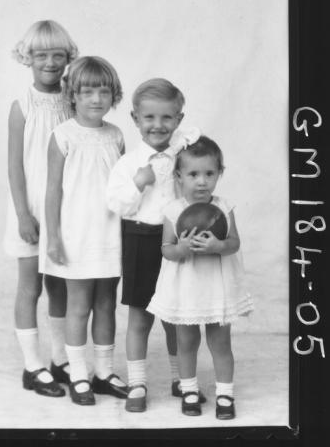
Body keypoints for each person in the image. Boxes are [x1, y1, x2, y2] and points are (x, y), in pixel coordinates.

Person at [106, 78, 201, 413]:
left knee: (176, 315)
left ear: (177, 119)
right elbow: (118, 205)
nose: (157, 125)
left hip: (175, 239)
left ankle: (181, 379)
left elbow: (194, 138)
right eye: (149, 118)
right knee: (140, 315)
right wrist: (138, 184)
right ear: (134, 119)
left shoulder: (181, 153)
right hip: (141, 239)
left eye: (167, 118)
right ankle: (137, 383)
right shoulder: (128, 164)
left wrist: (179, 142)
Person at [147, 135, 254, 419]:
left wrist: (218, 246)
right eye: (193, 174)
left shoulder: (225, 208)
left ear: (220, 173)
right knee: (187, 342)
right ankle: (190, 391)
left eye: (209, 173)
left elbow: (234, 243)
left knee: (220, 343)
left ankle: (225, 396)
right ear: (179, 176)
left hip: (217, 289)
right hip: (186, 289)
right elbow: (166, 249)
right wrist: (181, 248)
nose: (202, 181)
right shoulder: (173, 211)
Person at [43, 56, 128, 406]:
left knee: (106, 304)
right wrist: (54, 237)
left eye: (104, 91)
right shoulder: (63, 136)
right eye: (88, 91)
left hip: (111, 235)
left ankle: (104, 372)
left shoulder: (117, 135)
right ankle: (78, 374)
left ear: (114, 95)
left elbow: (123, 188)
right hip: (76, 236)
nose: (96, 99)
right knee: (79, 306)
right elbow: (52, 191)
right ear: (72, 95)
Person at [3, 20, 78, 398]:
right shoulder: (23, 105)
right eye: (41, 55)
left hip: (65, 208)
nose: (50, 62)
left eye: (57, 55)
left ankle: (60, 359)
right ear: (27, 58)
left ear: (68, 58)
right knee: (30, 286)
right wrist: (22, 214)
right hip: (32, 207)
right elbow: (15, 165)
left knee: (60, 285)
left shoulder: (74, 100)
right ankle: (32, 366)